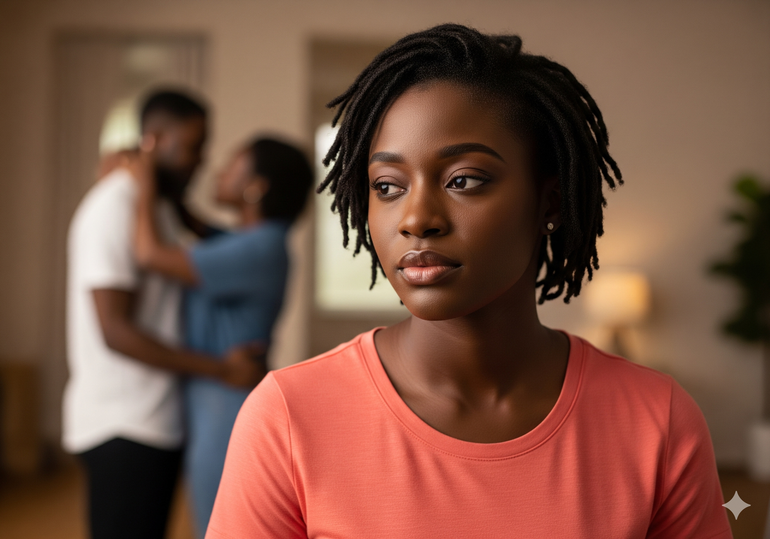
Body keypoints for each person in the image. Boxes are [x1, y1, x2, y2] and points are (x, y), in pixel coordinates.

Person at [207, 24, 733, 538]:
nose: (416, 218)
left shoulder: (658, 421)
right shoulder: (288, 416)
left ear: (549, 202)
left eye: (463, 180)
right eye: (387, 186)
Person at [62, 89, 264, 539]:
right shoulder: (113, 207)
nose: (201, 160)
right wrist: (221, 369)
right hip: (122, 425)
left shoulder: (156, 207)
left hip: (155, 421)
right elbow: (115, 330)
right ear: (154, 141)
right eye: (194, 147)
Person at [128, 135, 313, 538]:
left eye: (233, 164)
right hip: (217, 405)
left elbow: (149, 254)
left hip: (225, 412)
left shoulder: (259, 247)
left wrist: (142, 181)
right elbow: (195, 224)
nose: (219, 171)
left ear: (256, 186)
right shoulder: (248, 240)